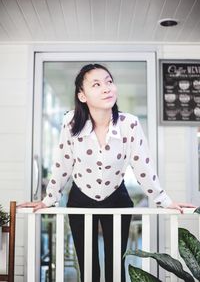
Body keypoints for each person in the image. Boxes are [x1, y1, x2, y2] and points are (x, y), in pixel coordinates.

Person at [18, 63, 195, 282]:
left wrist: (164, 200)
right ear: (82, 96)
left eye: (109, 81)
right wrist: (48, 199)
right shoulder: (70, 122)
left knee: (115, 266)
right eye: (97, 84)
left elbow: (143, 166)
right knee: (88, 266)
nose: (106, 88)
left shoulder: (129, 124)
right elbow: (63, 163)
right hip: (80, 198)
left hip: (117, 198)